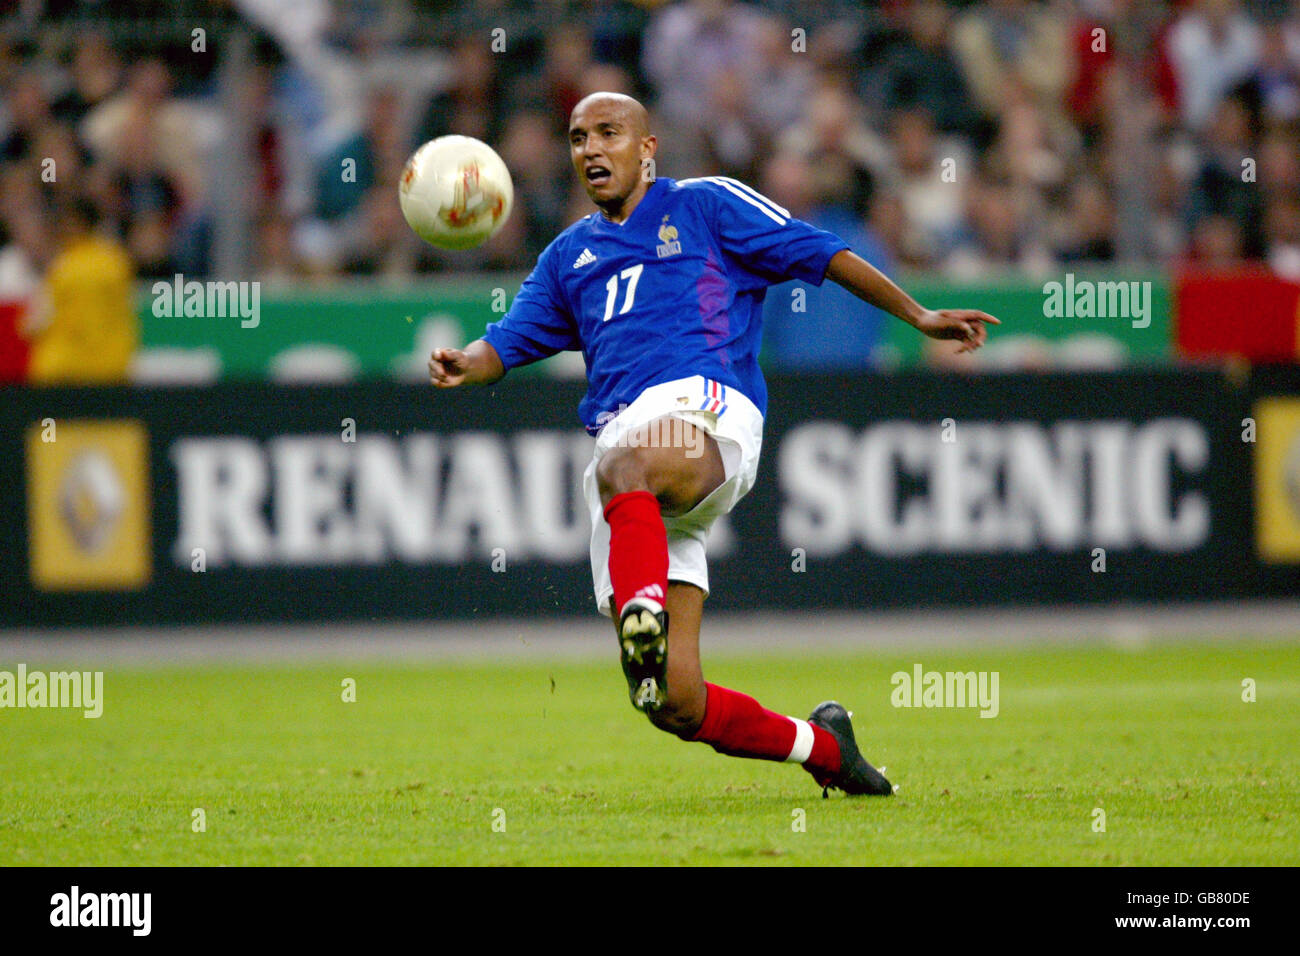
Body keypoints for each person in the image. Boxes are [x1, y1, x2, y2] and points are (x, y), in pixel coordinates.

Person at [428, 92, 998, 797]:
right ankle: (826, 749)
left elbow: (820, 253)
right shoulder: (566, 258)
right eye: (578, 138)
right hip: (634, 480)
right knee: (672, 703)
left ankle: (643, 609)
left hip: (706, 413)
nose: (591, 150)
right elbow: (507, 344)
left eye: (609, 133)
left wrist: (918, 314)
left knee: (625, 465)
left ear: (648, 148)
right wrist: (466, 362)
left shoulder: (704, 206)